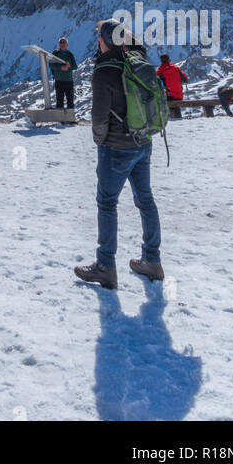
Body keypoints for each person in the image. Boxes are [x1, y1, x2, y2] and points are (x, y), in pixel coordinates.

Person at [74, 19, 163, 289]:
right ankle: (152, 261)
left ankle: (105, 266)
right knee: (145, 200)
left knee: (107, 203)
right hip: (143, 142)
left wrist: (100, 141)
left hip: (115, 148)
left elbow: (99, 116)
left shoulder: (104, 71)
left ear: (102, 40)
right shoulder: (138, 60)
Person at [50, 36, 77, 111]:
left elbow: (75, 66)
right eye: (60, 42)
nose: (62, 44)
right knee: (59, 102)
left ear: (67, 44)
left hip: (69, 81)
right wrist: (61, 67)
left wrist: (69, 66)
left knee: (70, 102)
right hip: (59, 81)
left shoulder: (70, 54)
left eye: (63, 42)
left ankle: (70, 120)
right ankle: (60, 120)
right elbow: (51, 65)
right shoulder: (55, 53)